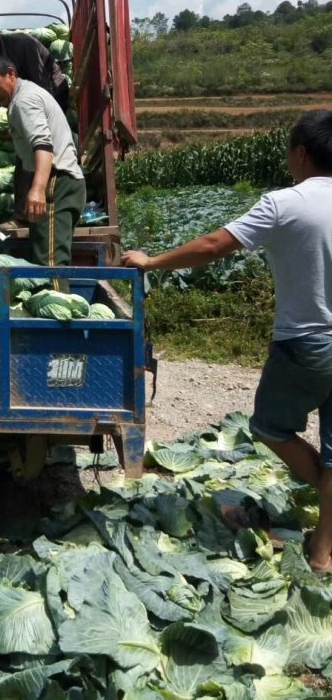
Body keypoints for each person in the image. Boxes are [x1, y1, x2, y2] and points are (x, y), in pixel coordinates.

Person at [121, 109, 332, 573]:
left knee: (269, 428)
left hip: (308, 342)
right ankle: (322, 552)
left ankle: (322, 506)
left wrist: (151, 262)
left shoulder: (285, 203)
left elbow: (216, 245)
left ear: (300, 152)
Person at [0, 56, 85, 272]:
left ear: (10, 73)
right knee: (45, 255)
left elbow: (44, 144)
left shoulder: (23, 100)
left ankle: (59, 302)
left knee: (50, 265)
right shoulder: (25, 95)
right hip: (59, 181)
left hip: (56, 182)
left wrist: (36, 190)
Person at [0, 17, 70, 121]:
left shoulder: (22, 45)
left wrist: (42, 114)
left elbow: (40, 81)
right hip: (22, 98)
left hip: (53, 91)